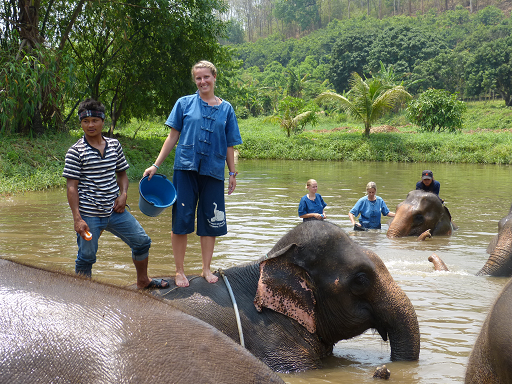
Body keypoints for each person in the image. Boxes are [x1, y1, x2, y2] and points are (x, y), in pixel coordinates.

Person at [143, 60, 242, 288]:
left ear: (214, 77)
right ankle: (179, 271)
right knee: (181, 220)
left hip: (214, 171)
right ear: (194, 80)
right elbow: (172, 137)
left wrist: (233, 173)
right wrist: (156, 165)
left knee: (211, 220)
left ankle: (206, 269)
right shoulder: (184, 103)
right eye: (198, 78)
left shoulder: (226, 109)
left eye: (206, 77)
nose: (202, 81)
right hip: (186, 168)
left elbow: (229, 145)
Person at [63, 98, 168, 289]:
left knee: (142, 242)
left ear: (103, 121)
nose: (90, 125)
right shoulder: (75, 152)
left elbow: (122, 174)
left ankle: (143, 281)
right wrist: (77, 218)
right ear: (81, 123)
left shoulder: (114, 145)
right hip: (89, 213)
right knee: (86, 256)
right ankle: (80, 293)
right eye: (85, 121)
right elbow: (72, 187)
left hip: (115, 209)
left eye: (95, 120)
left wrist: (124, 194)